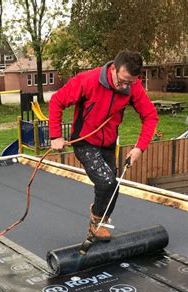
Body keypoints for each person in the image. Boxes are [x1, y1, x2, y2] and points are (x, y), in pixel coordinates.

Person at [49, 50, 158, 242]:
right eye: (121, 81)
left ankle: (101, 225)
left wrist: (139, 148)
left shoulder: (133, 87)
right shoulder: (88, 80)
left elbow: (150, 116)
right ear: (113, 69)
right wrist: (56, 135)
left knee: (113, 188)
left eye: (130, 83)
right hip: (84, 141)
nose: (124, 86)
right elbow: (57, 101)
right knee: (106, 181)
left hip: (108, 143)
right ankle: (95, 224)